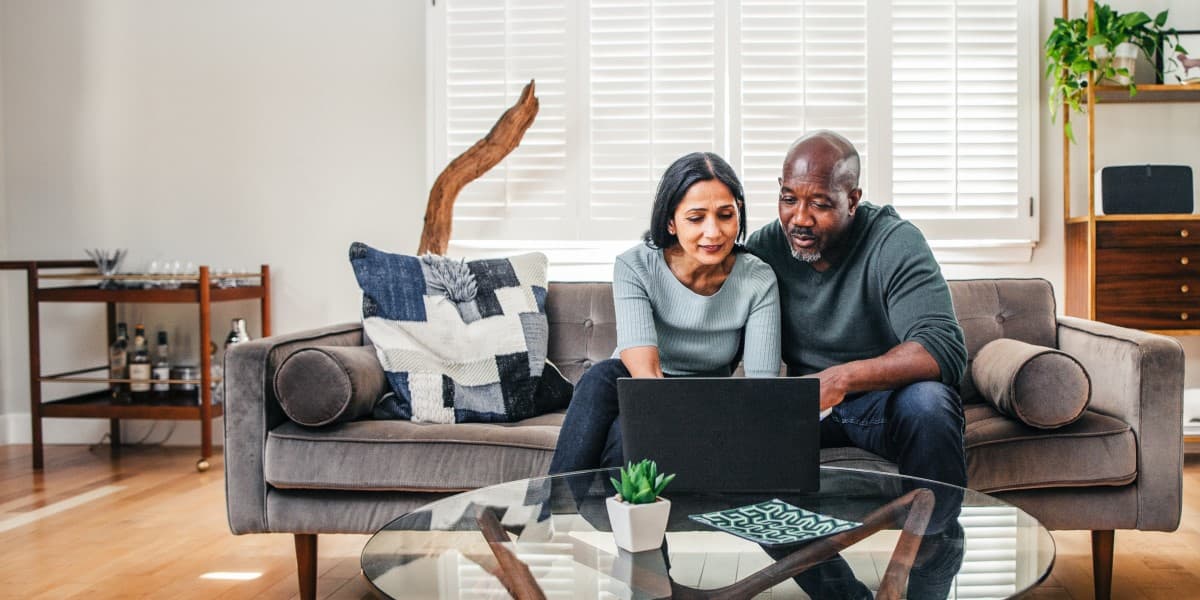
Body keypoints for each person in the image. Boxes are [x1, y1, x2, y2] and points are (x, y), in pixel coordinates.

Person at [746, 130, 967, 599]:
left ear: (853, 199)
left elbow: (942, 348)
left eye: (821, 204)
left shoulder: (893, 241)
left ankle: (935, 549)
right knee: (745, 460)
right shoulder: (764, 248)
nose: (799, 218)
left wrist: (841, 377)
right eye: (788, 199)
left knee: (931, 404)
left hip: (885, 405)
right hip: (810, 411)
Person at [549, 152, 781, 475]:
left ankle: (568, 519)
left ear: (738, 213)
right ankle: (549, 514)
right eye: (696, 218)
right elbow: (646, 377)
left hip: (710, 397)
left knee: (620, 439)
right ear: (671, 222)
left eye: (725, 215)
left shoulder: (758, 279)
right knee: (601, 379)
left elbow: (761, 391)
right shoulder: (635, 266)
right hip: (643, 388)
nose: (713, 232)